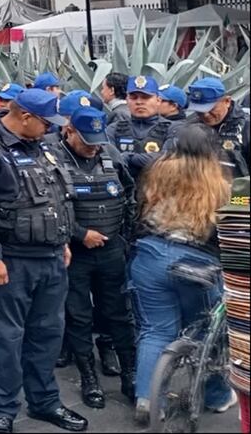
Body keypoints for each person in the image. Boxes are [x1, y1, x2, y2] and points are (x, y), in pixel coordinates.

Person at [0, 88, 86, 433]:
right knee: (6, 339)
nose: (51, 129)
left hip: (51, 258)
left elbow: (57, 197)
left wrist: (63, 239)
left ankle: (45, 402)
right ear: (25, 117)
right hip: (10, 262)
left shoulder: (41, 144)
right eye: (46, 122)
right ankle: (2, 410)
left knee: (48, 334)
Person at [127, 125, 236, 423]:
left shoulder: (158, 171)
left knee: (155, 330)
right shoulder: (220, 183)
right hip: (196, 264)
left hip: (150, 256)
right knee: (207, 330)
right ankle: (217, 396)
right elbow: (235, 220)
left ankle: (148, 400)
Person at [54, 107, 138, 409]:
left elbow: (129, 195)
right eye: (86, 140)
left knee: (119, 313)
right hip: (75, 254)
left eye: (97, 140)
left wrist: (126, 235)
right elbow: (50, 208)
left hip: (112, 249)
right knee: (78, 316)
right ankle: (89, 377)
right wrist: (79, 234)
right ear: (69, 131)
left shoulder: (110, 154)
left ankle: (130, 373)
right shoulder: (53, 159)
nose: (93, 147)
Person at [106, 75, 171, 183]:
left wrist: (128, 157)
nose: (139, 102)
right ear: (127, 100)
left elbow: (167, 160)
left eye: (145, 97)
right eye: (134, 97)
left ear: (158, 100)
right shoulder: (113, 129)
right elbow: (109, 160)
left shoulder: (173, 129)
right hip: (122, 189)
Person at [182, 77, 249, 177]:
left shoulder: (246, 127)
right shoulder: (191, 128)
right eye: (200, 111)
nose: (205, 115)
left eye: (211, 109)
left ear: (227, 101)